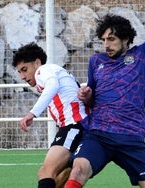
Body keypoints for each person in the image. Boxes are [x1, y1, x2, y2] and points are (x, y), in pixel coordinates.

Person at [65, 0, 145, 188]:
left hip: (131, 137)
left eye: (111, 39)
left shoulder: (143, 54)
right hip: (99, 134)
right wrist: (87, 96)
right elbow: (93, 97)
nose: (106, 45)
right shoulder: (96, 61)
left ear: (125, 39)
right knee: (78, 169)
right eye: (103, 40)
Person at [12, 42, 89, 188]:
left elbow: (53, 86)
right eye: (19, 72)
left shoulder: (43, 70)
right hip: (81, 126)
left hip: (74, 125)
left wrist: (32, 113)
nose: (22, 76)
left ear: (37, 62)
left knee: (45, 172)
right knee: (60, 179)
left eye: (24, 69)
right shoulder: (56, 71)